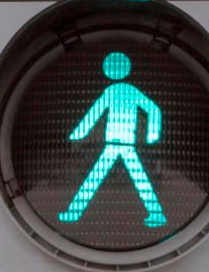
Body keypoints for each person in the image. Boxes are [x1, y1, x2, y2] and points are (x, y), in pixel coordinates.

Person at [57, 51, 167, 228]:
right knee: (132, 178)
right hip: (120, 143)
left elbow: (94, 114)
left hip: (120, 143)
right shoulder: (126, 91)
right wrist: (152, 134)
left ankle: (74, 213)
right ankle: (156, 213)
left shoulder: (115, 91)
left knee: (99, 178)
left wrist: (79, 133)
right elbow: (153, 109)